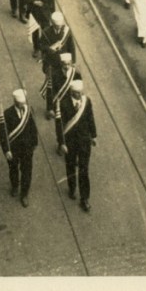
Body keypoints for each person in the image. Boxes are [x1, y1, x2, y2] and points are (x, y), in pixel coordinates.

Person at [58, 79, 97, 212]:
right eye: (76, 93)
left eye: (80, 92)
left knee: (84, 170)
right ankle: (72, 187)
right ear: (71, 92)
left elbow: (90, 118)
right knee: (70, 165)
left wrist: (94, 135)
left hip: (84, 141)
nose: (79, 95)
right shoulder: (63, 104)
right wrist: (62, 142)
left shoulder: (87, 102)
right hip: (70, 142)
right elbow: (59, 125)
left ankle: (84, 198)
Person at [0, 89, 38, 207]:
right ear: (15, 102)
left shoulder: (28, 111)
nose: (23, 105)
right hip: (13, 149)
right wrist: (6, 150)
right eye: (20, 103)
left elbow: (33, 128)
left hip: (27, 148)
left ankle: (24, 194)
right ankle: (15, 186)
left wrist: (34, 143)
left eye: (24, 103)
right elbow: (3, 134)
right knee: (13, 169)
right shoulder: (7, 114)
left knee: (27, 171)